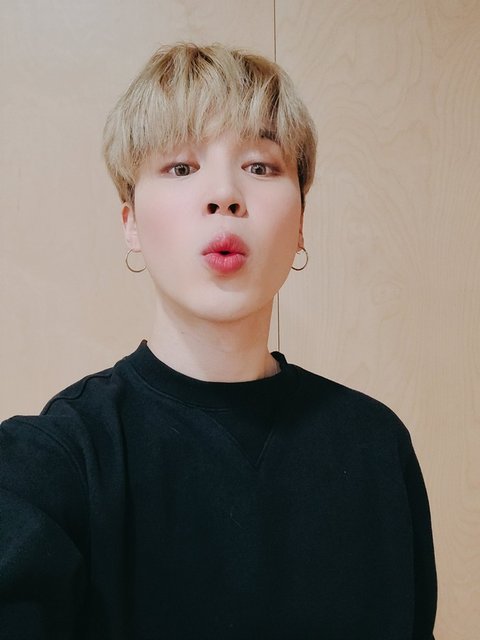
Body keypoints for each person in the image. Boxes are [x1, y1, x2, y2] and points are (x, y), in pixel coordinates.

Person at [0, 43, 436, 639]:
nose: (224, 195)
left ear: (301, 222)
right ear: (131, 223)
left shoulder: (374, 446)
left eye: (261, 166)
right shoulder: (55, 462)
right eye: (181, 168)